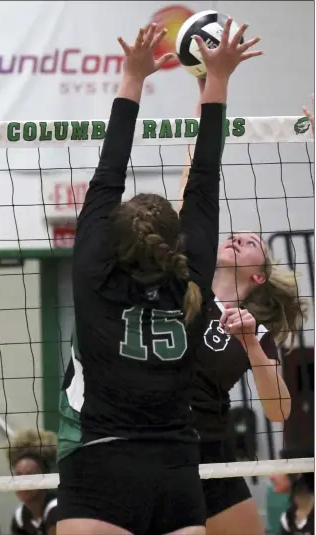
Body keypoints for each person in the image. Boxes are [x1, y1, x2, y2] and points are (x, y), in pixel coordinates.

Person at [56, 20, 262, 535]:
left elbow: (108, 172)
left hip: (99, 468)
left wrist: (133, 78)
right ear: (176, 246)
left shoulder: (93, 276)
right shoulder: (191, 284)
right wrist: (215, 81)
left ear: (111, 242)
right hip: (175, 474)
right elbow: (204, 178)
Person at [179, 81, 308, 535]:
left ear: (258, 276)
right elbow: (193, 179)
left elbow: (279, 412)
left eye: (250, 242)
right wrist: (207, 87)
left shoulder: (256, 332)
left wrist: (252, 342)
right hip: (159, 446)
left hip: (211, 452)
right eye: (235, 235)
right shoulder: (184, 283)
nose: (237, 238)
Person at [5, 428, 57, 535]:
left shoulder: (56, 508)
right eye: (18, 475)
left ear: (45, 477)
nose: (23, 483)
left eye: (30, 475)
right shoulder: (20, 516)